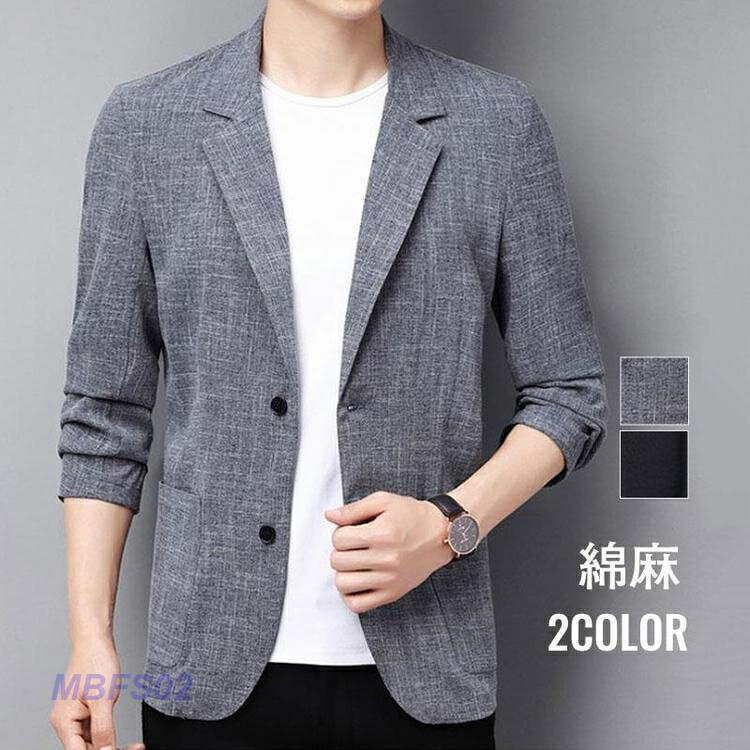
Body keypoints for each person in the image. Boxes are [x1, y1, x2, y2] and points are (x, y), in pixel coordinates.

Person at [49, 1, 608, 748]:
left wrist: (449, 525)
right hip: (207, 677)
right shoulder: (148, 126)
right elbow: (104, 411)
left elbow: (570, 394)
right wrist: (90, 640)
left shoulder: (494, 123)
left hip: (427, 673)